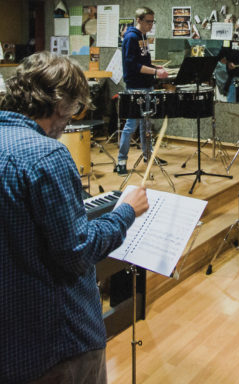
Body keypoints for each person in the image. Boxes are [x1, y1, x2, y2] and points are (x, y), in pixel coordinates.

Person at [0, 52, 150, 383]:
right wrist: (126, 212)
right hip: (58, 343)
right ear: (58, 102)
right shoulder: (47, 155)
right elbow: (77, 251)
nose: (72, 118)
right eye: (73, 108)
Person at [117, 6, 168, 176]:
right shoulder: (131, 37)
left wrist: (155, 67)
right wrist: (155, 72)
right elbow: (133, 66)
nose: (151, 25)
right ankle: (121, 161)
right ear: (138, 20)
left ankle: (148, 155)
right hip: (135, 86)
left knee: (146, 124)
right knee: (132, 124)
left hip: (146, 84)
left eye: (153, 22)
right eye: (148, 22)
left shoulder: (143, 36)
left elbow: (143, 61)